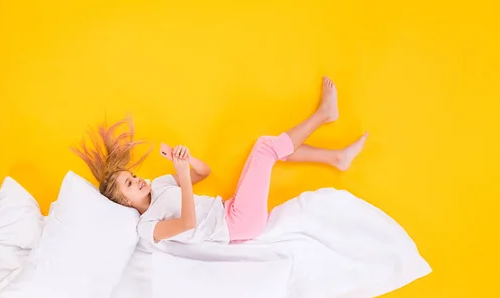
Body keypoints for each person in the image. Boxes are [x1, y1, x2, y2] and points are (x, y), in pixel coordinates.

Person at [73, 77, 368, 244]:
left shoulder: (160, 184)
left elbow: (204, 173)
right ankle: (324, 115)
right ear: (124, 202)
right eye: (129, 183)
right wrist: (184, 177)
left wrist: (188, 161)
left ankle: (337, 158)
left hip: (230, 208)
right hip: (237, 225)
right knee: (266, 148)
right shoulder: (147, 226)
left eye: (132, 175)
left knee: (269, 152)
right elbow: (188, 224)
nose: (137, 179)